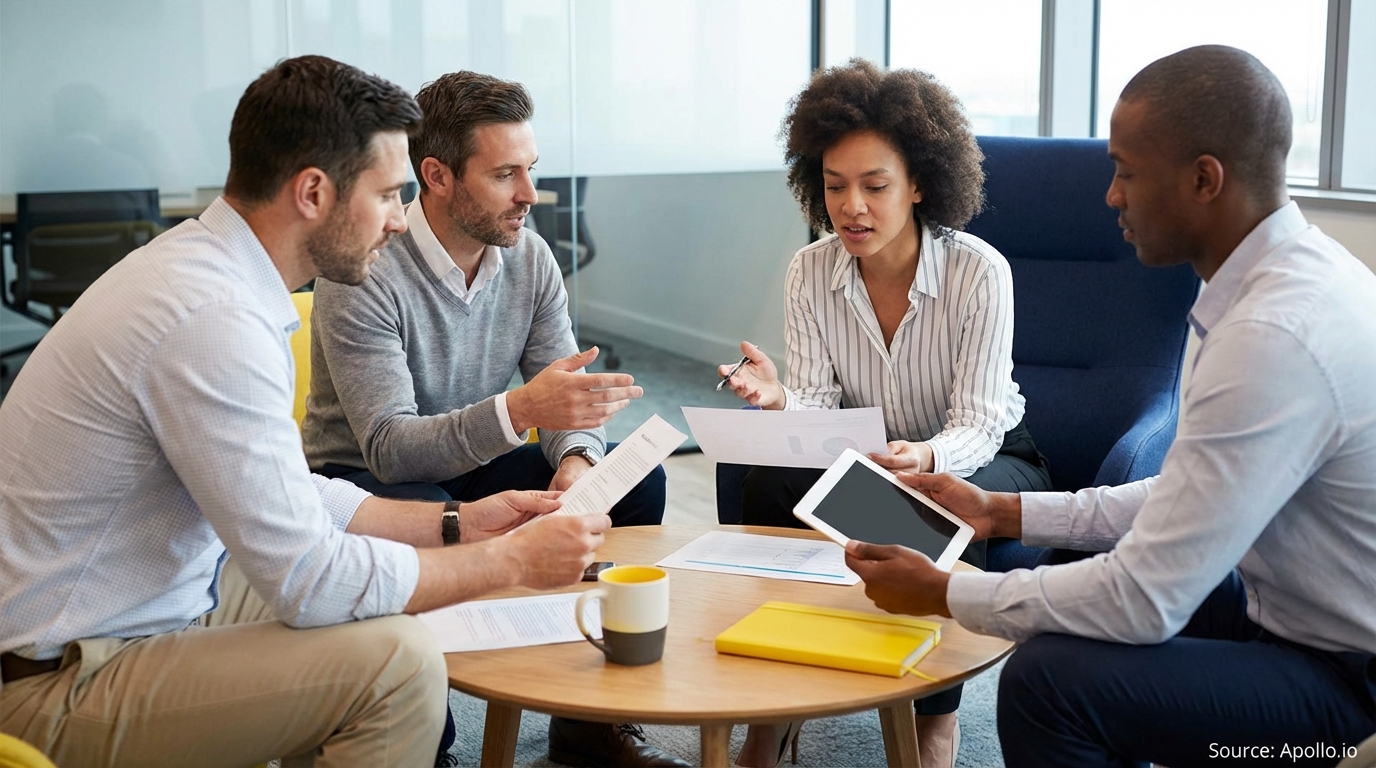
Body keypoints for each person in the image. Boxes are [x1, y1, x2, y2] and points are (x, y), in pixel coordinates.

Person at [0, 55, 612, 768]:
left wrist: (458, 522)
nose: (395, 222)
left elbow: (290, 489)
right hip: (58, 680)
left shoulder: (207, 273)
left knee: (375, 596)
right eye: (387, 194)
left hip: (147, 605)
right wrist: (505, 561)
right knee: (398, 664)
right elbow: (309, 582)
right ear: (314, 193)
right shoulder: (214, 318)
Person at [843, 46, 1376, 767]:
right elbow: (1189, 492)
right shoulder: (1285, 280)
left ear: (1203, 180)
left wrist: (944, 594)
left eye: (1126, 172)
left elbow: (1144, 601)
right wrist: (1004, 512)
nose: (1111, 197)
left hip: (1348, 685)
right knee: (1071, 595)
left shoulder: (1270, 336)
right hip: (1288, 613)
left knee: (1048, 683)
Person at [301, 71, 683, 768]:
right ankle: (428, 744)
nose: (530, 197)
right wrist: (520, 410)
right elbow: (389, 449)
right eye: (505, 175)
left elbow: (567, 396)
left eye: (530, 170)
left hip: (470, 464)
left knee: (637, 486)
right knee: (429, 516)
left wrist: (576, 461)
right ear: (437, 176)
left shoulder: (527, 256)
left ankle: (584, 719)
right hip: (364, 482)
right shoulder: (363, 270)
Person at [717, 60, 1052, 768]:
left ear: (921, 184)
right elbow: (817, 398)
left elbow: (982, 421)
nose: (852, 208)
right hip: (866, 454)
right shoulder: (809, 270)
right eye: (835, 187)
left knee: (947, 510)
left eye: (875, 186)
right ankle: (774, 704)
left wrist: (924, 458)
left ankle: (934, 717)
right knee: (759, 482)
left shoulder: (978, 271)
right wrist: (781, 400)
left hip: (981, 453)